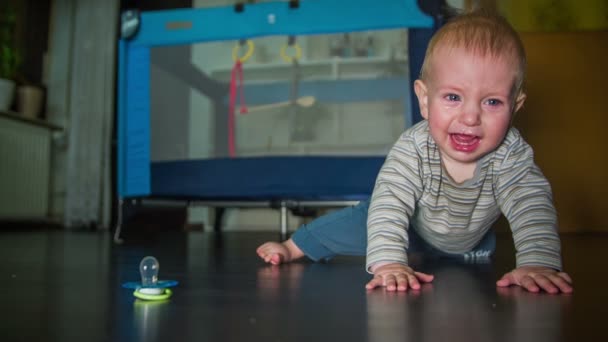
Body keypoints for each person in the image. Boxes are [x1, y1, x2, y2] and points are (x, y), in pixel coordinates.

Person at [257, 9, 573, 294]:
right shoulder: (415, 148)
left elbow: (531, 206)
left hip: (470, 241)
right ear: (424, 99)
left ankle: (445, 252)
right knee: (358, 222)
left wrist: (538, 263)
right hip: (406, 224)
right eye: (453, 97)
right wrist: (390, 264)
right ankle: (294, 246)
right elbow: (391, 204)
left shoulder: (511, 153)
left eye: (492, 102)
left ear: (515, 107)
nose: (470, 117)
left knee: (481, 247)